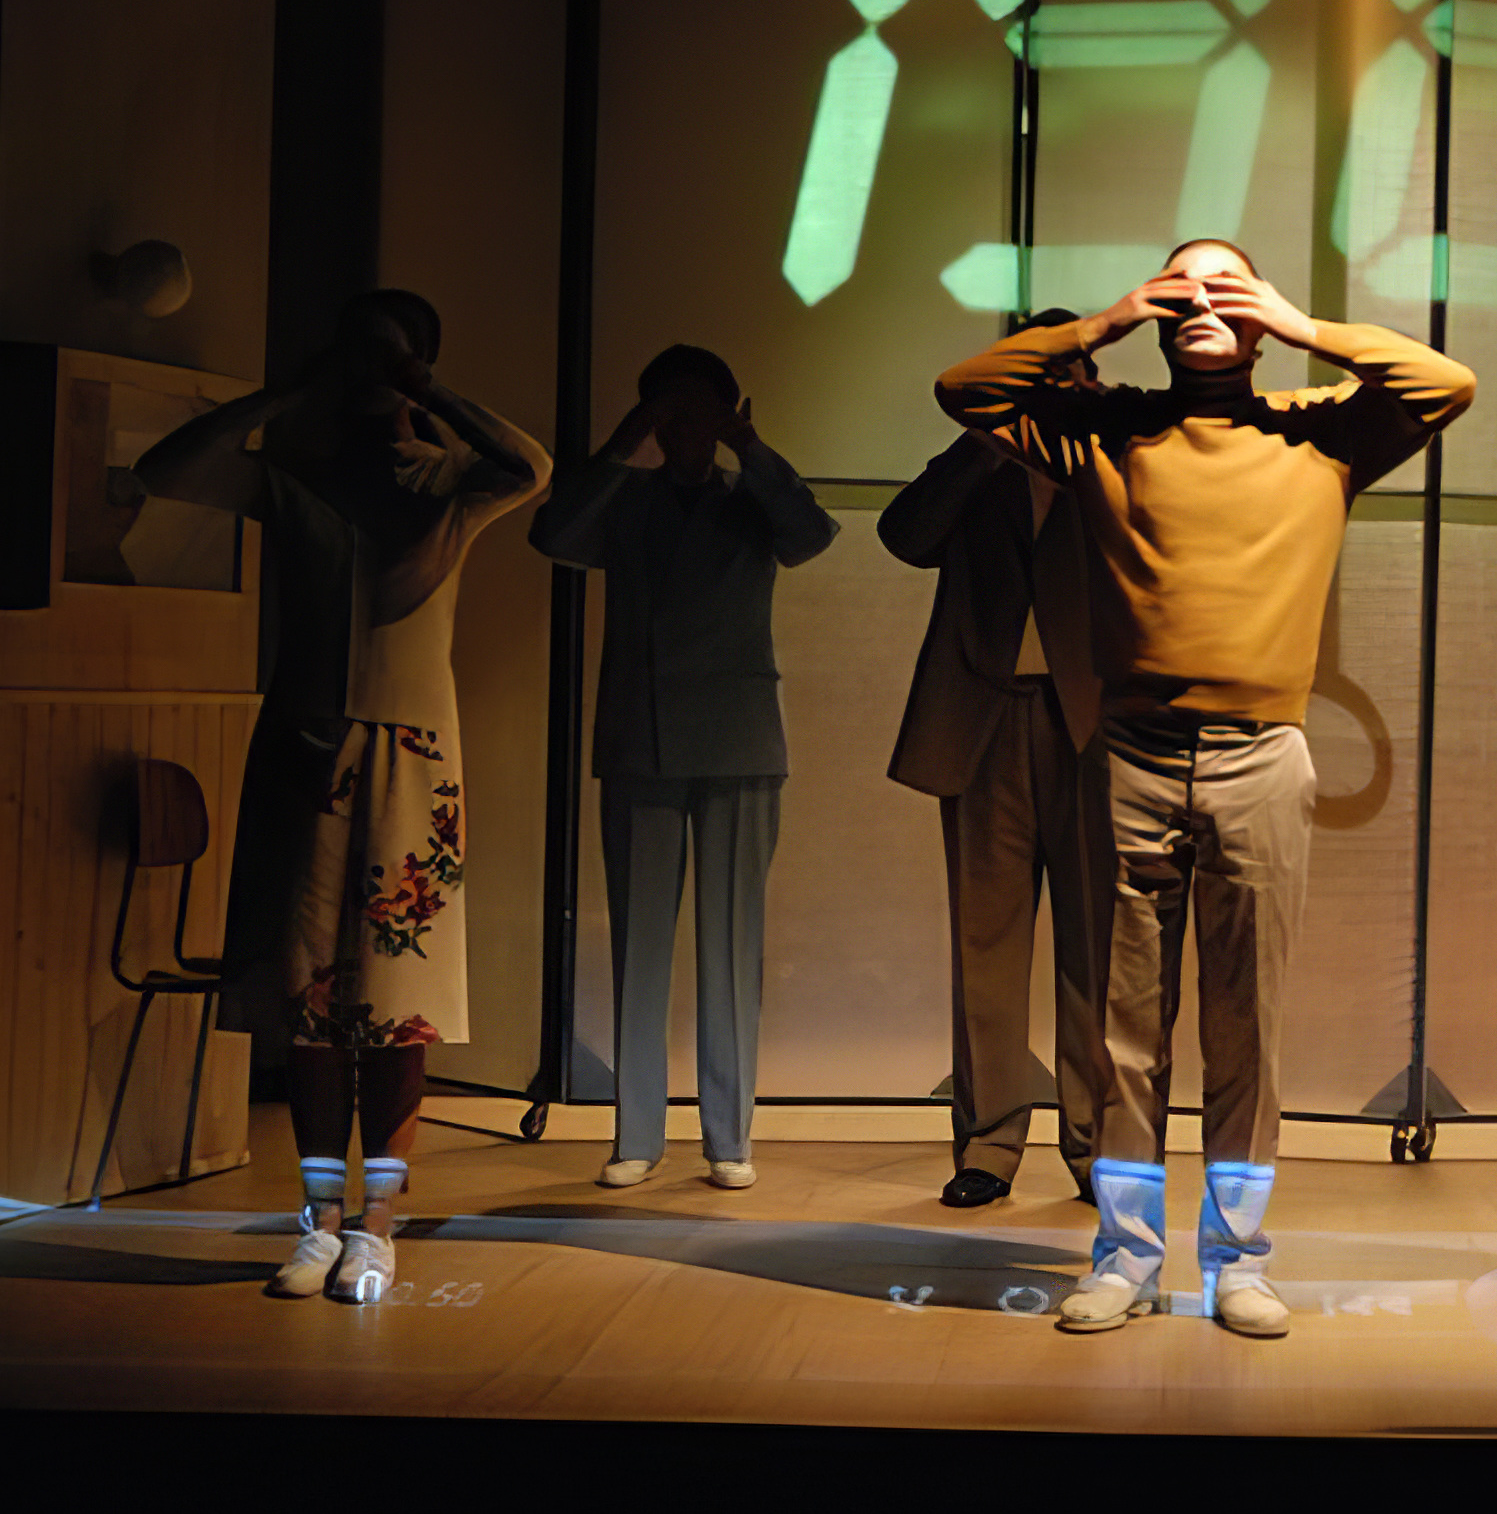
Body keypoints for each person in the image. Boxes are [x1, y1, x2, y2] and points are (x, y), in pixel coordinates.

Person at [937, 238, 1475, 1338]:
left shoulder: (1319, 427)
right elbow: (964, 390)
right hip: (1128, 755)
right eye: (1183, 286)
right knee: (1124, 1037)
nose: (1203, 300)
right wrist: (1107, 319)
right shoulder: (1106, 426)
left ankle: (1236, 1259)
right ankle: (1126, 1256)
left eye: (1225, 283)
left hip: (1262, 758)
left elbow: (1445, 383)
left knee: (1247, 1030)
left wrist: (1300, 324)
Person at [133, 290, 550, 1303]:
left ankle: (379, 1223)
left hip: (411, 752)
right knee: (307, 1006)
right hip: (302, 747)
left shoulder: (449, 480)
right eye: (355, 351)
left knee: (398, 1009)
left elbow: (532, 468)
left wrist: (427, 390)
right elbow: (163, 469)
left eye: (387, 353)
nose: (368, 369)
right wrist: (287, 391)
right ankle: (319, 1220)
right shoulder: (298, 474)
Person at [528, 344, 837, 1193]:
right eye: (670, 409)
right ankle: (636, 1134)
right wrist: (620, 443)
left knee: (733, 945)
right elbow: (552, 534)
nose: (687, 425)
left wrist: (751, 447)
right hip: (640, 733)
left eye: (704, 408)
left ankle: (728, 1137)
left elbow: (811, 535)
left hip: (739, 737)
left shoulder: (754, 495)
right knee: (638, 946)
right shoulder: (623, 498)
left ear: (731, 411)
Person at [882, 308, 1111, 1209]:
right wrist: (985, 440)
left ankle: (1098, 1150)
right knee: (985, 946)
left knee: (1098, 949)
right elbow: (905, 535)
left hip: (1094, 726)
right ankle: (988, 1145)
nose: (1059, 387)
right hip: (982, 719)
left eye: (1072, 371)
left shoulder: (1117, 459)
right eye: (1040, 372)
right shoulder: (978, 460)